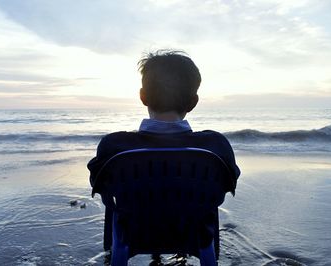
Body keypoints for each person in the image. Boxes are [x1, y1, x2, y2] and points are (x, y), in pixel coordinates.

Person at [87, 49, 240, 254]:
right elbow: (226, 188)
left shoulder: (114, 146)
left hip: (134, 234)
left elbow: (102, 191)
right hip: (193, 233)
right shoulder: (215, 145)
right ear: (193, 102)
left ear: (143, 96)